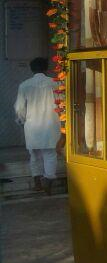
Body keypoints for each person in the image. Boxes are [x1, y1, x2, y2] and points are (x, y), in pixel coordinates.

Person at [14, 57, 63, 195]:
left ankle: (37, 183)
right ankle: (48, 181)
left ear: (31, 69)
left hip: (32, 125)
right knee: (50, 154)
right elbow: (62, 102)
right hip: (51, 124)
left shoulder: (24, 85)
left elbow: (19, 108)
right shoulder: (55, 83)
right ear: (46, 68)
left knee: (34, 154)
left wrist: (22, 121)